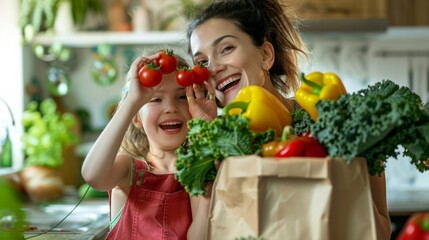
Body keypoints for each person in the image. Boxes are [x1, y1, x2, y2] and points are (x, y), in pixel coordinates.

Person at [184, 0, 392, 239]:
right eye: (202, 62)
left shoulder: (332, 117)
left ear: (266, 55)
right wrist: (209, 147)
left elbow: (381, 233)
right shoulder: (208, 142)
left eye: (226, 49)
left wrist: (345, 161)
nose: (214, 68)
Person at [81, 51, 217, 240]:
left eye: (182, 97)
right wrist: (132, 102)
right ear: (136, 117)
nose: (171, 108)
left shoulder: (199, 172)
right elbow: (92, 176)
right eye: (155, 99)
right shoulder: (128, 170)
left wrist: (208, 129)